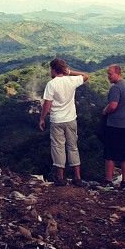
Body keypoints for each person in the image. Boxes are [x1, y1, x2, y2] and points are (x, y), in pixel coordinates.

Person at [39, 58, 89, 187]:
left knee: (58, 147)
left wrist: (42, 118)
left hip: (57, 120)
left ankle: (60, 178)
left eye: (51, 69)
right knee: (73, 147)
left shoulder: (51, 84)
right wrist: (70, 72)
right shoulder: (71, 80)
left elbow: (47, 104)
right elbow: (86, 76)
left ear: (54, 70)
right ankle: (77, 178)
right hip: (71, 119)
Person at [102, 64, 125, 189]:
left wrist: (105, 111)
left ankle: (109, 181)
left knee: (110, 153)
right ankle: (124, 182)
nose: (108, 76)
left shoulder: (115, 88)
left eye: (110, 74)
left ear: (117, 73)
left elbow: (113, 106)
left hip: (115, 125)